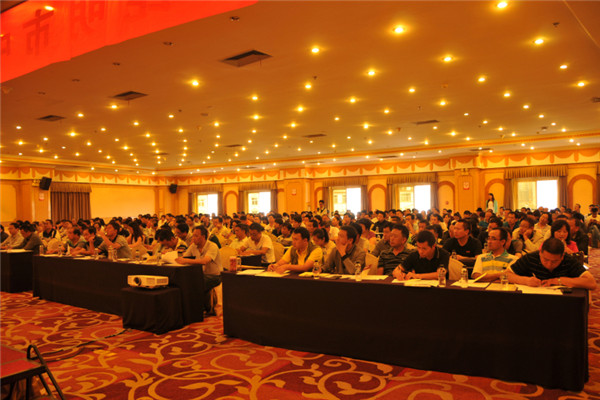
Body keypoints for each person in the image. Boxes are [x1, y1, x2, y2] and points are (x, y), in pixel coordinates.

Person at [507, 238, 596, 289]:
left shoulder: (568, 260)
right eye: (545, 260)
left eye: (554, 261)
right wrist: (525, 280)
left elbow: (591, 283)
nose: (549, 264)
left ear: (562, 257)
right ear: (540, 253)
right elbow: (506, 275)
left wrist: (559, 281)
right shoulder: (531, 258)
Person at [175, 226, 222, 313]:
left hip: (215, 276)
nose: (193, 238)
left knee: (195, 281)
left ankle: (197, 309)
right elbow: (184, 258)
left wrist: (185, 260)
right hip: (201, 275)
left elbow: (205, 261)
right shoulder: (193, 246)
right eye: (193, 235)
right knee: (186, 279)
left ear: (203, 237)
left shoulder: (212, 246)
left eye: (196, 236)